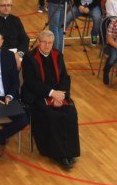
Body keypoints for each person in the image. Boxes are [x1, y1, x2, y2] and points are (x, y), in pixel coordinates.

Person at [21, 30, 80, 170]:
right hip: (38, 95)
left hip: (57, 95)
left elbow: (64, 77)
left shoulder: (57, 55)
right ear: (38, 42)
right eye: (44, 42)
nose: (47, 46)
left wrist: (61, 95)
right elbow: (32, 82)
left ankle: (70, 152)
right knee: (51, 115)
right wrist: (52, 93)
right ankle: (58, 154)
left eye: (50, 43)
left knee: (71, 112)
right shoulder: (30, 58)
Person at [0, 0, 30, 68]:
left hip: (18, 54)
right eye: (3, 5)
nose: (6, 8)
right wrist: (11, 55)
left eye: (8, 5)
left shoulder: (16, 20)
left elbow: (25, 39)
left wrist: (19, 53)